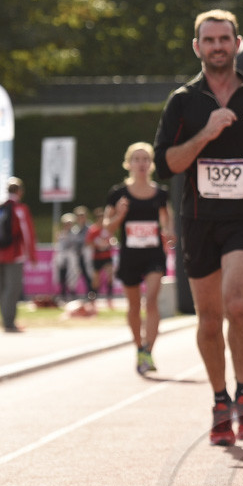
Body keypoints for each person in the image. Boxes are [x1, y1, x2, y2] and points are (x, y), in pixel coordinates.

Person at [154, 9, 243, 447]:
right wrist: (205, 134)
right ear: (197, 47)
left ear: (237, 43)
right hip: (199, 220)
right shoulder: (183, 101)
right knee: (208, 317)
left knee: (237, 304)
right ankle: (220, 401)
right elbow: (167, 165)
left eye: (224, 39)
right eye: (209, 40)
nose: (217, 46)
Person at [106, 142, 173, 376]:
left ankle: (149, 351)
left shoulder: (160, 193)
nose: (141, 163)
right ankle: (138, 347)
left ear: (151, 164)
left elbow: (167, 222)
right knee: (134, 306)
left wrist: (169, 235)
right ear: (129, 164)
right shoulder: (118, 194)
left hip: (154, 254)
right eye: (137, 159)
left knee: (151, 301)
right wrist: (120, 214)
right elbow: (107, 227)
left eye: (146, 159)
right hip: (130, 255)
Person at [0, 177, 37, 332]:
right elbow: (27, 234)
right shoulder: (19, 209)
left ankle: (5, 320)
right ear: (20, 191)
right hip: (14, 255)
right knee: (12, 288)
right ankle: (9, 322)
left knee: (1, 288)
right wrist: (32, 255)